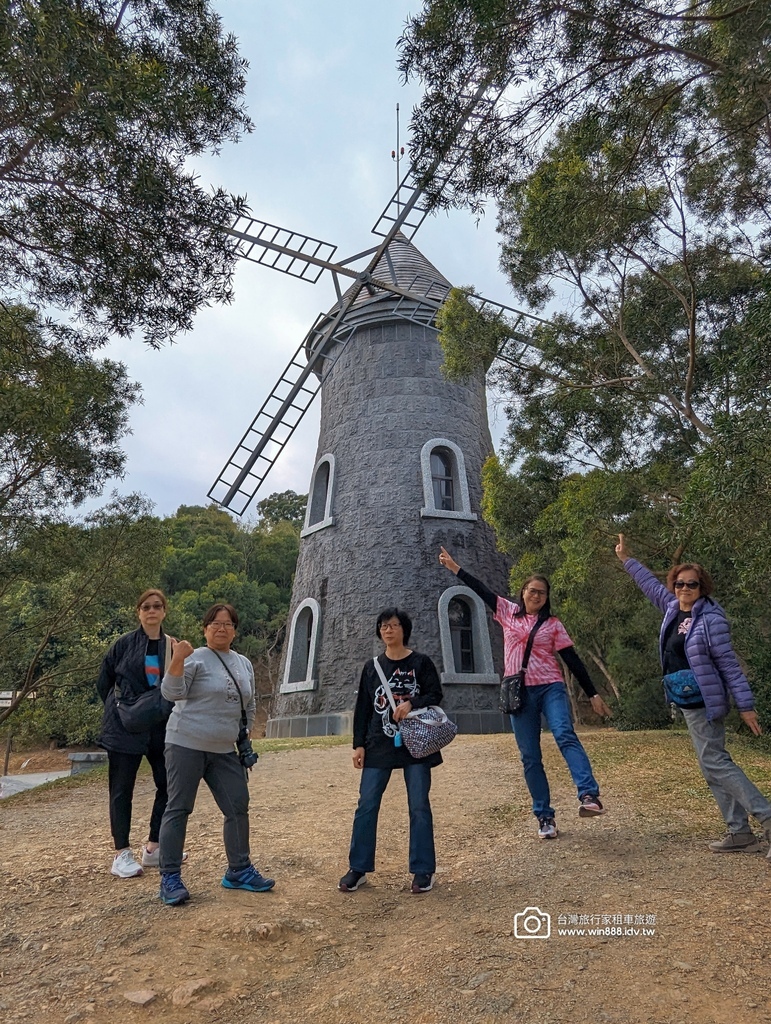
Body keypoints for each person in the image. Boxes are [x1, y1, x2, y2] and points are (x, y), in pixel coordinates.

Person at [438, 547, 612, 839]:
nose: (536, 596)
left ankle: (589, 795)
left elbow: (573, 660)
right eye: (532, 590)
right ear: (523, 591)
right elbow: (481, 590)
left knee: (564, 734)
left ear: (546, 597)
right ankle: (544, 816)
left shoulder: (553, 624)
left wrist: (593, 693)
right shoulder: (507, 612)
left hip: (550, 687)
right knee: (530, 756)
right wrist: (456, 568)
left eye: (542, 593)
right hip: (519, 692)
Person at [615, 534, 771, 856]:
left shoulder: (711, 618)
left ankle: (766, 818)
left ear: (703, 588)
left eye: (692, 585)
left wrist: (746, 705)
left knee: (715, 761)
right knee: (709, 762)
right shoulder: (673, 608)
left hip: (706, 700)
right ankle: (739, 832)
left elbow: (728, 664)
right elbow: (650, 585)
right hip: (685, 699)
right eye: (680, 584)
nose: (684, 590)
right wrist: (627, 560)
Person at [157, 603, 274, 905]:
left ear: (235, 630)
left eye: (228, 624)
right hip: (186, 743)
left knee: (237, 805)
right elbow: (171, 692)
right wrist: (177, 658)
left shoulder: (243, 663)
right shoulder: (194, 658)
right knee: (179, 807)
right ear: (205, 628)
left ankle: (239, 870)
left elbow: (248, 701)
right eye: (215, 623)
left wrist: (246, 731)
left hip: (224, 749)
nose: (221, 629)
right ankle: (169, 877)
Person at [339, 608, 444, 894]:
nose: (388, 630)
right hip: (378, 743)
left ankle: (423, 870)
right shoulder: (372, 667)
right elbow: (362, 707)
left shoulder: (420, 663)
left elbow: (436, 694)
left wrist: (412, 702)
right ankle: (358, 868)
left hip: (416, 744)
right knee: (367, 804)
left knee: (419, 805)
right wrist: (357, 744)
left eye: (394, 625)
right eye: (384, 625)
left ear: (404, 630)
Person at [96, 589, 177, 878]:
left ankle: (154, 848)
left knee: (168, 784)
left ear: (164, 611)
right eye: (146, 606)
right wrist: (121, 708)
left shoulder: (173, 645)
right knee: (121, 790)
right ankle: (121, 854)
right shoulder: (123, 645)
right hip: (124, 727)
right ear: (138, 611)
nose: (151, 611)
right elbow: (104, 682)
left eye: (157, 606)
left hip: (161, 726)